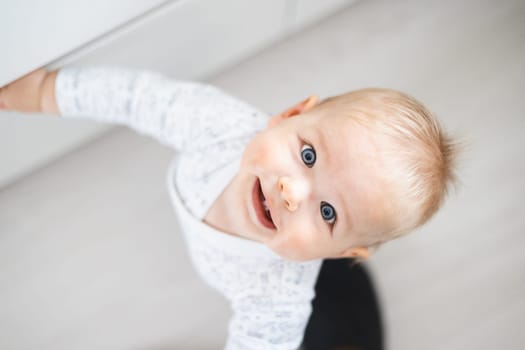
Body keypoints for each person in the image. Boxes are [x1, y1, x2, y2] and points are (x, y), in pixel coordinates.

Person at [0, 66, 457, 349]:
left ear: (339, 253)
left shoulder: (277, 297)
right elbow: (137, 97)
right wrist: (47, 91)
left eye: (328, 212)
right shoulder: (220, 128)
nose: (292, 193)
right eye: (308, 156)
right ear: (291, 115)